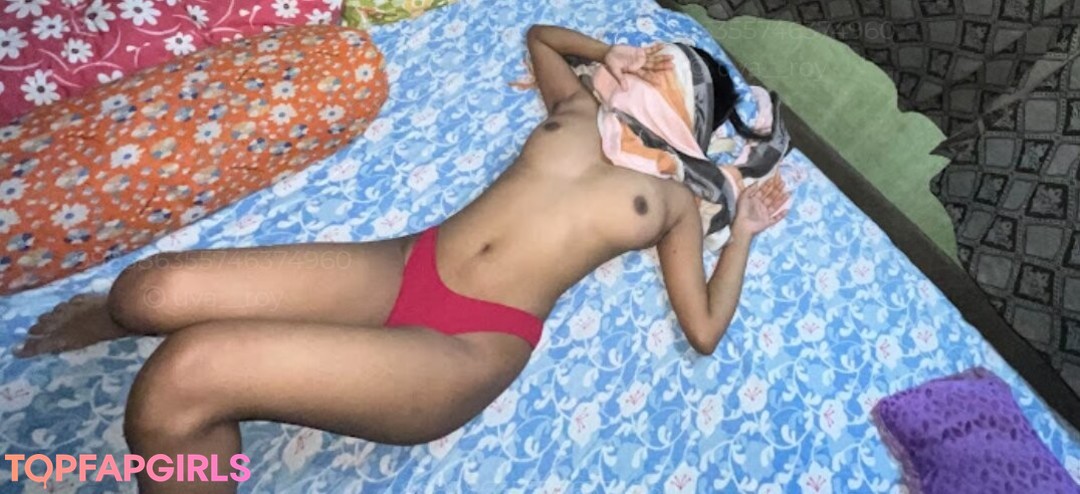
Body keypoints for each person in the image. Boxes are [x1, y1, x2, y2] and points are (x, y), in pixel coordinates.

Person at [16, 25, 790, 493]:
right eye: (648, 54)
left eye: (664, 63)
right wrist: (607, 52)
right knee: (148, 292)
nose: (647, 61)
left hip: (467, 346)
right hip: (400, 265)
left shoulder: (675, 198)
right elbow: (541, 38)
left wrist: (744, 232)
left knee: (183, 377)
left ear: (691, 106)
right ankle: (118, 318)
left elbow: (703, 329)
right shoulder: (582, 107)